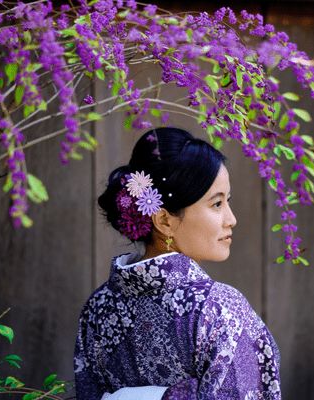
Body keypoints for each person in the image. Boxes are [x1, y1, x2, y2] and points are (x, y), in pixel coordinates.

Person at [74, 127, 281, 400]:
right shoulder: (219, 310)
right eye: (217, 204)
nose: (231, 219)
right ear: (165, 221)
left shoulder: (98, 308)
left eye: (226, 202)